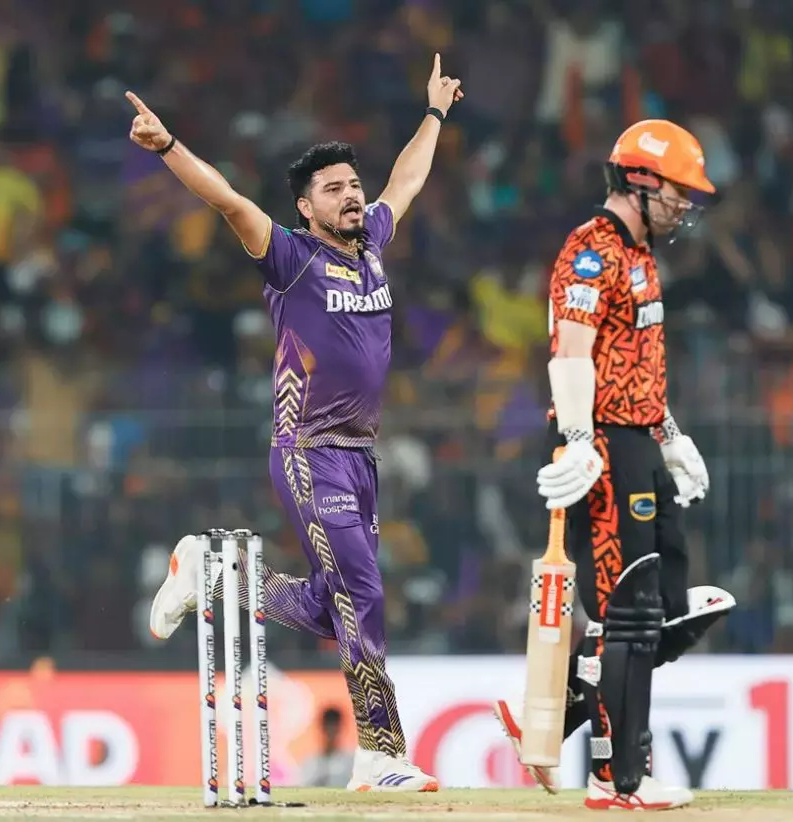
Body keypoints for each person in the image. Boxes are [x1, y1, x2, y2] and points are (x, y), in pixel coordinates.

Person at [129, 56, 463, 792]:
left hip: (361, 455)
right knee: (366, 592)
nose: (352, 197)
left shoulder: (374, 243)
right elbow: (226, 200)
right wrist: (168, 147)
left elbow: (406, 178)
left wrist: (434, 114)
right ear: (306, 208)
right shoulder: (290, 257)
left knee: (330, 605)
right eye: (334, 190)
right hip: (308, 450)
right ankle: (379, 754)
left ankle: (212, 573)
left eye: (353, 185)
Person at [493, 120, 735, 810]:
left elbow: (637, 364)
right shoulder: (591, 250)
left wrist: (671, 435)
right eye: (680, 191)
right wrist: (576, 438)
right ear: (641, 179)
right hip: (600, 444)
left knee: (665, 608)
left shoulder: (642, 254)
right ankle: (617, 778)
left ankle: (564, 705)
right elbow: (570, 352)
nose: (687, 204)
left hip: (638, 440)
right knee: (625, 616)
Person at [300, 707, 355, 788]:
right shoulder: (310, 762)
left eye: (334, 726)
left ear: (341, 728)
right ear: (322, 728)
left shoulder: (351, 761)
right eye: (328, 725)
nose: (331, 730)